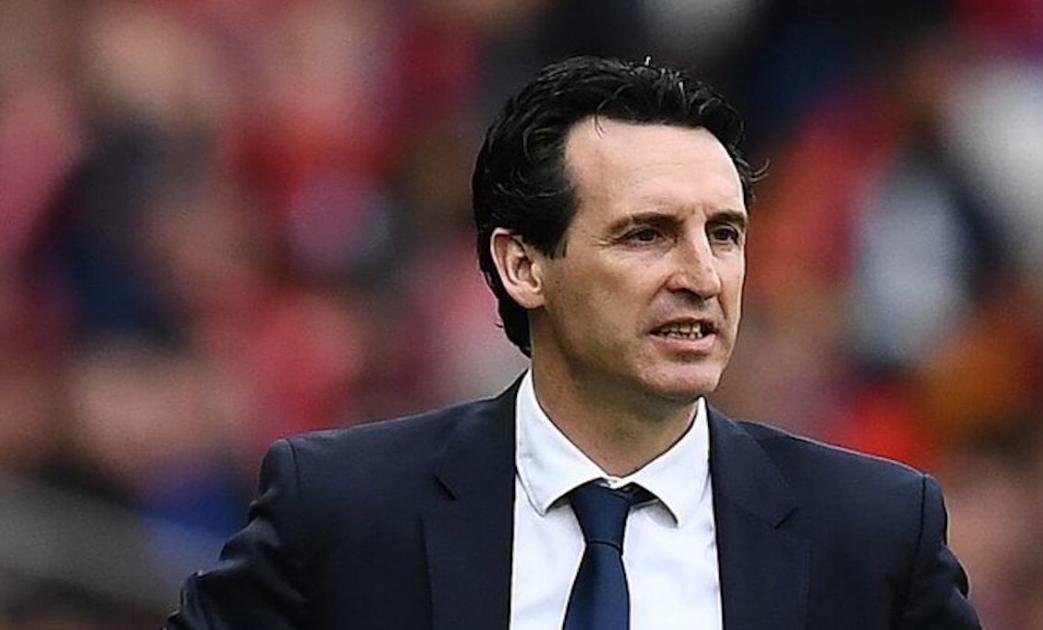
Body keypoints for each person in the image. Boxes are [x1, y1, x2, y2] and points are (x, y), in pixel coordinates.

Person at [166, 56, 980, 630]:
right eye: (647, 234)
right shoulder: (341, 511)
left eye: (724, 234)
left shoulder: (872, 532)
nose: (702, 275)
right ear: (523, 266)